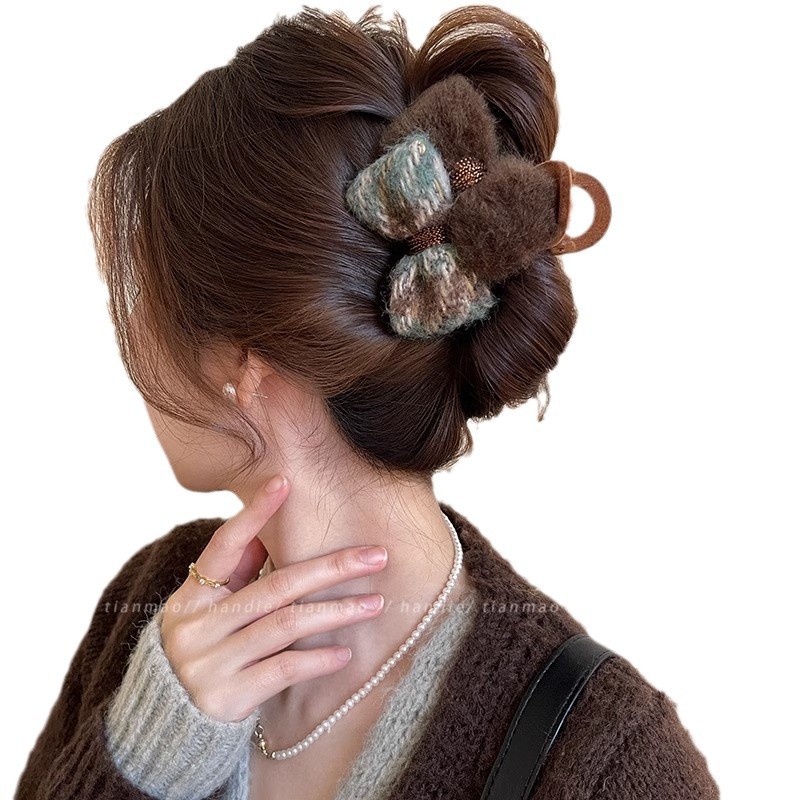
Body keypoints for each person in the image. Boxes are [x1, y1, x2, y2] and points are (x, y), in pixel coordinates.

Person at [14, 5, 720, 800]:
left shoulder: (607, 761)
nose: (131, 337)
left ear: (243, 363)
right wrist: (148, 752)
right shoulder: (152, 615)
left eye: (148, 296)